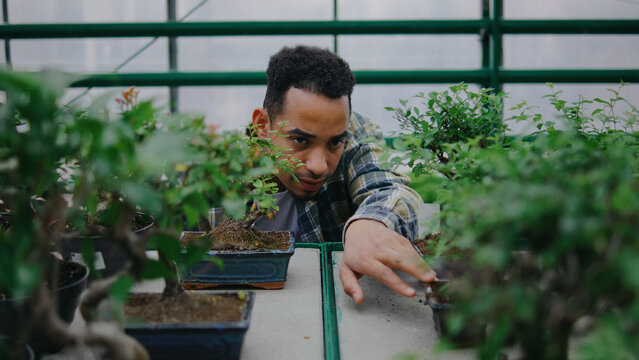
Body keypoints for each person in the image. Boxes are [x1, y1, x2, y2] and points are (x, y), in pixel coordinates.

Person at [211, 45, 436, 304]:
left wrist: (368, 224)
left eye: (334, 143)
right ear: (262, 125)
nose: (319, 166)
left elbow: (391, 190)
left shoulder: (355, 134)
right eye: (299, 140)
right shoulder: (215, 173)